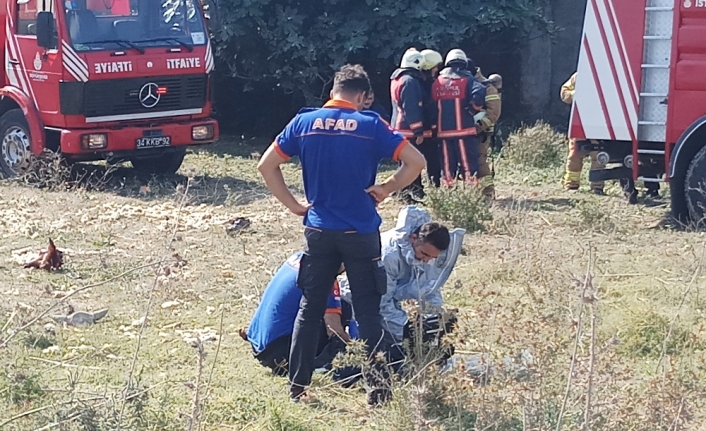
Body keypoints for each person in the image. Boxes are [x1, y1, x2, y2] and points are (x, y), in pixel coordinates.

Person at [257, 64, 426, 405]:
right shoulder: (370, 125)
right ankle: (378, 391)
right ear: (363, 96)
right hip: (360, 232)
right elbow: (416, 161)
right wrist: (386, 188)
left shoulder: (303, 123)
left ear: (333, 91)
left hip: (318, 230)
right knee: (368, 311)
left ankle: (298, 388)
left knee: (309, 308)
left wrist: (294, 206)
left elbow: (266, 165)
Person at [240, 252, 351, 376]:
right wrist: (356, 350)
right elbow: (335, 331)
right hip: (281, 353)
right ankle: (325, 364)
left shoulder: (299, 258)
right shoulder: (325, 275)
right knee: (343, 310)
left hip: (260, 344)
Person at [432, 49, 486, 186]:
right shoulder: (468, 80)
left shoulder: (437, 82)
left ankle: (449, 193)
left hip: (443, 132)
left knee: (447, 164)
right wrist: (473, 109)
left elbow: (430, 106)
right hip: (464, 131)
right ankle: (470, 192)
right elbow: (479, 93)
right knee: (468, 163)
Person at [390, 48, 427, 201]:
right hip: (407, 128)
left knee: (406, 162)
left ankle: (411, 190)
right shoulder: (410, 81)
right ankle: (402, 193)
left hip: (398, 125)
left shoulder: (396, 79)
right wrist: (418, 130)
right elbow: (411, 107)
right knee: (410, 162)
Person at [561, 73, 605, 195]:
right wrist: (573, 94)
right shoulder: (579, 75)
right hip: (579, 122)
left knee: (598, 156)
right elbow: (564, 92)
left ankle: (597, 186)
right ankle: (571, 185)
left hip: (600, 123)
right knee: (574, 155)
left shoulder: (606, 74)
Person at [473, 63, 503, 199]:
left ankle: (487, 192)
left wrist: (479, 126)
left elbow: (494, 112)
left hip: (482, 132)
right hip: (467, 131)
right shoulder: (466, 83)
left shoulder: (487, 87)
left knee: (480, 161)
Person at [418, 49, 445, 188]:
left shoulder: (416, 82)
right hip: (427, 129)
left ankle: (420, 189)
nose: (437, 70)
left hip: (420, 129)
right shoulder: (430, 85)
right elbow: (431, 108)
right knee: (433, 159)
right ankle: (434, 186)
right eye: (436, 67)